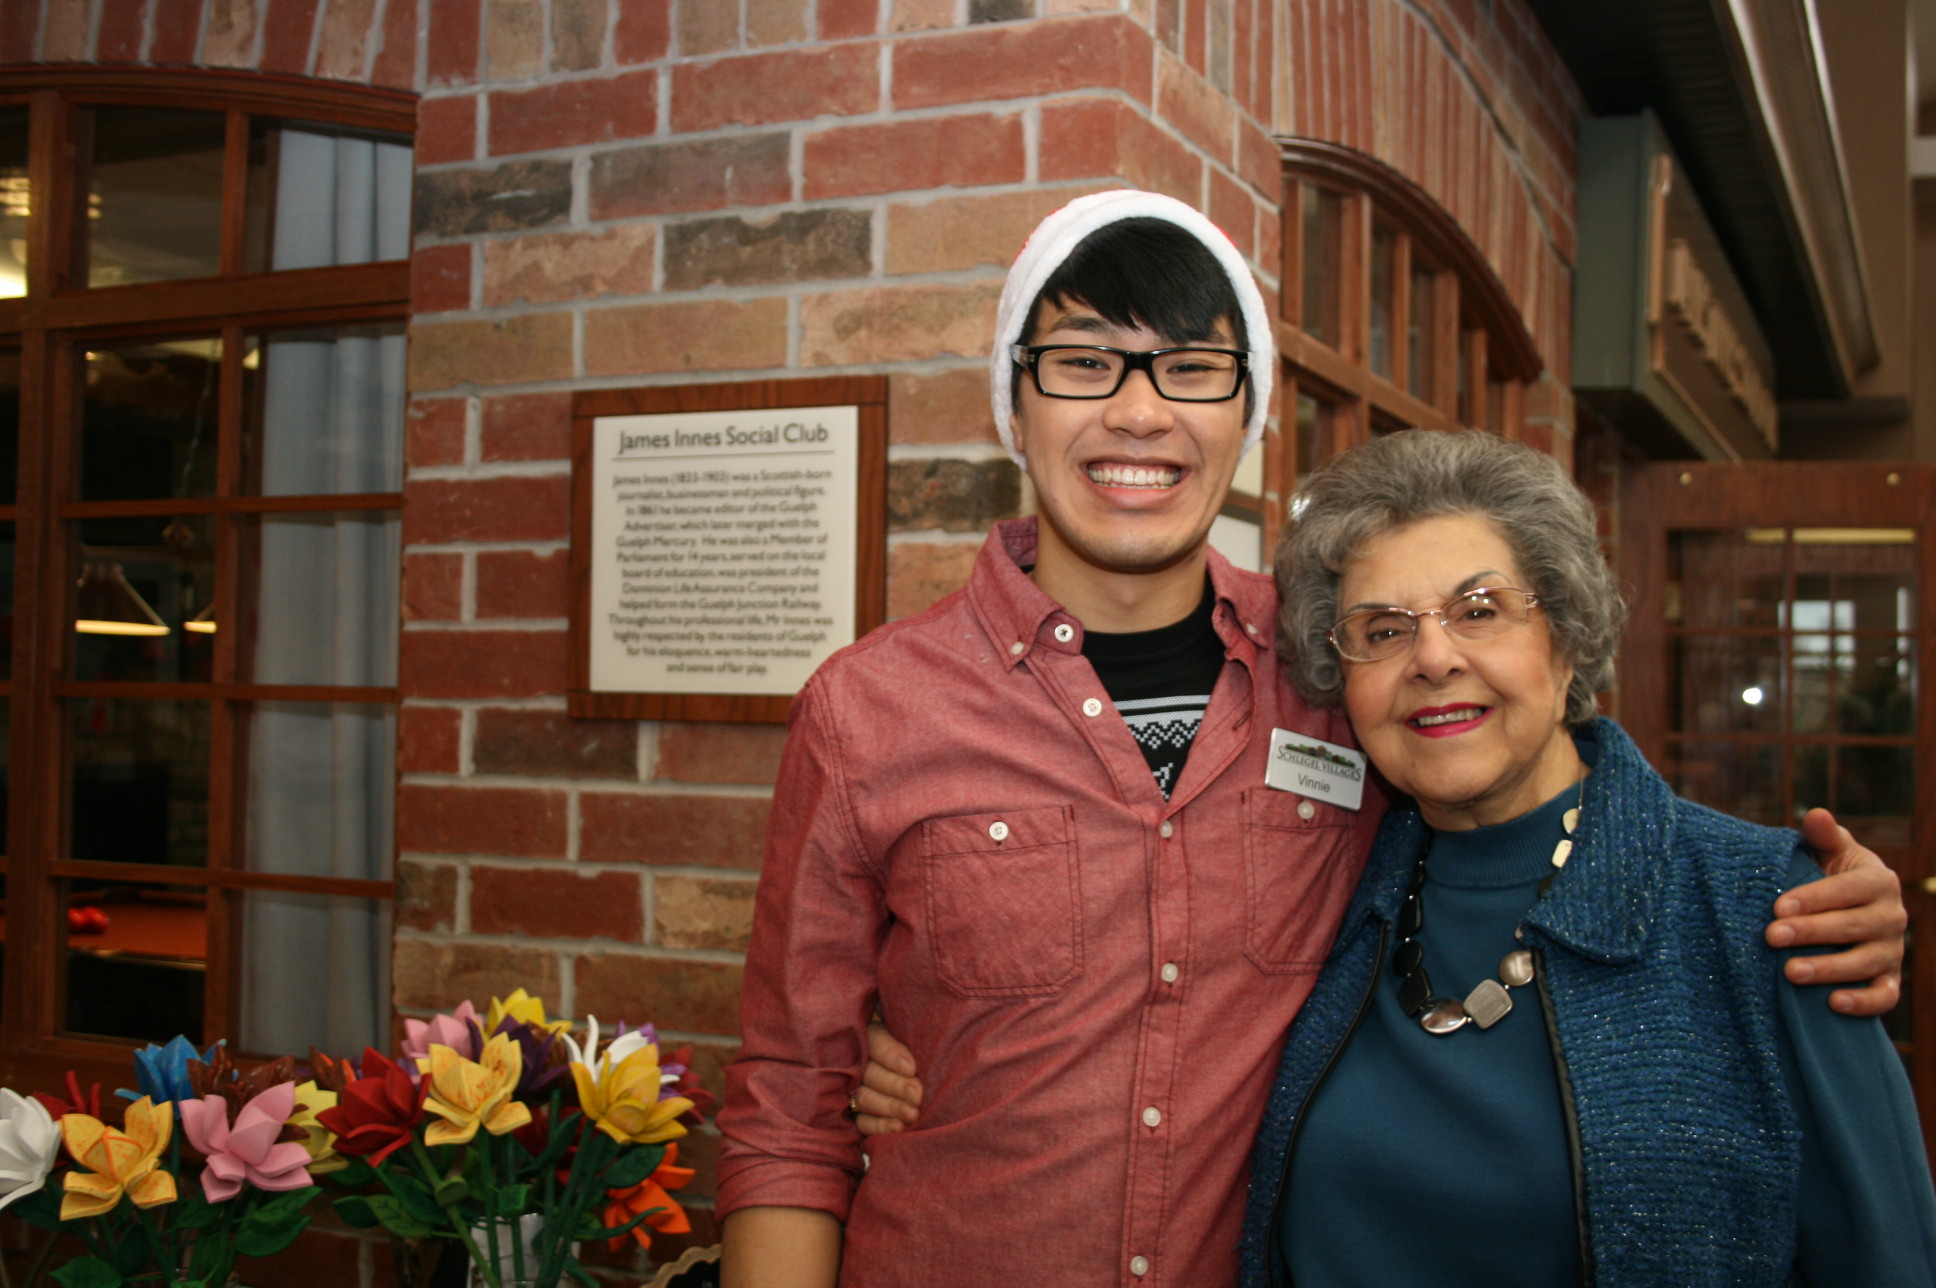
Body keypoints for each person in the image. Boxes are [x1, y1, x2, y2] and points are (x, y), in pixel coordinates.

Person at [717, 191, 1905, 1288]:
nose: (1139, 409)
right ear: (1013, 406)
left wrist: (1774, 892)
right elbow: (785, 1107)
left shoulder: (1332, 667)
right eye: (1082, 364)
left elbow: (1521, 741)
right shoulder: (867, 710)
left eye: (1191, 368)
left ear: (1246, 414)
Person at [1236, 429, 1936, 1286]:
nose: (1432, 658)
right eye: (1381, 630)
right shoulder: (1326, 888)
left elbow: (1886, 1256)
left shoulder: (1763, 909)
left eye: (1480, 610)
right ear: (1342, 684)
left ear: (1564, 639)